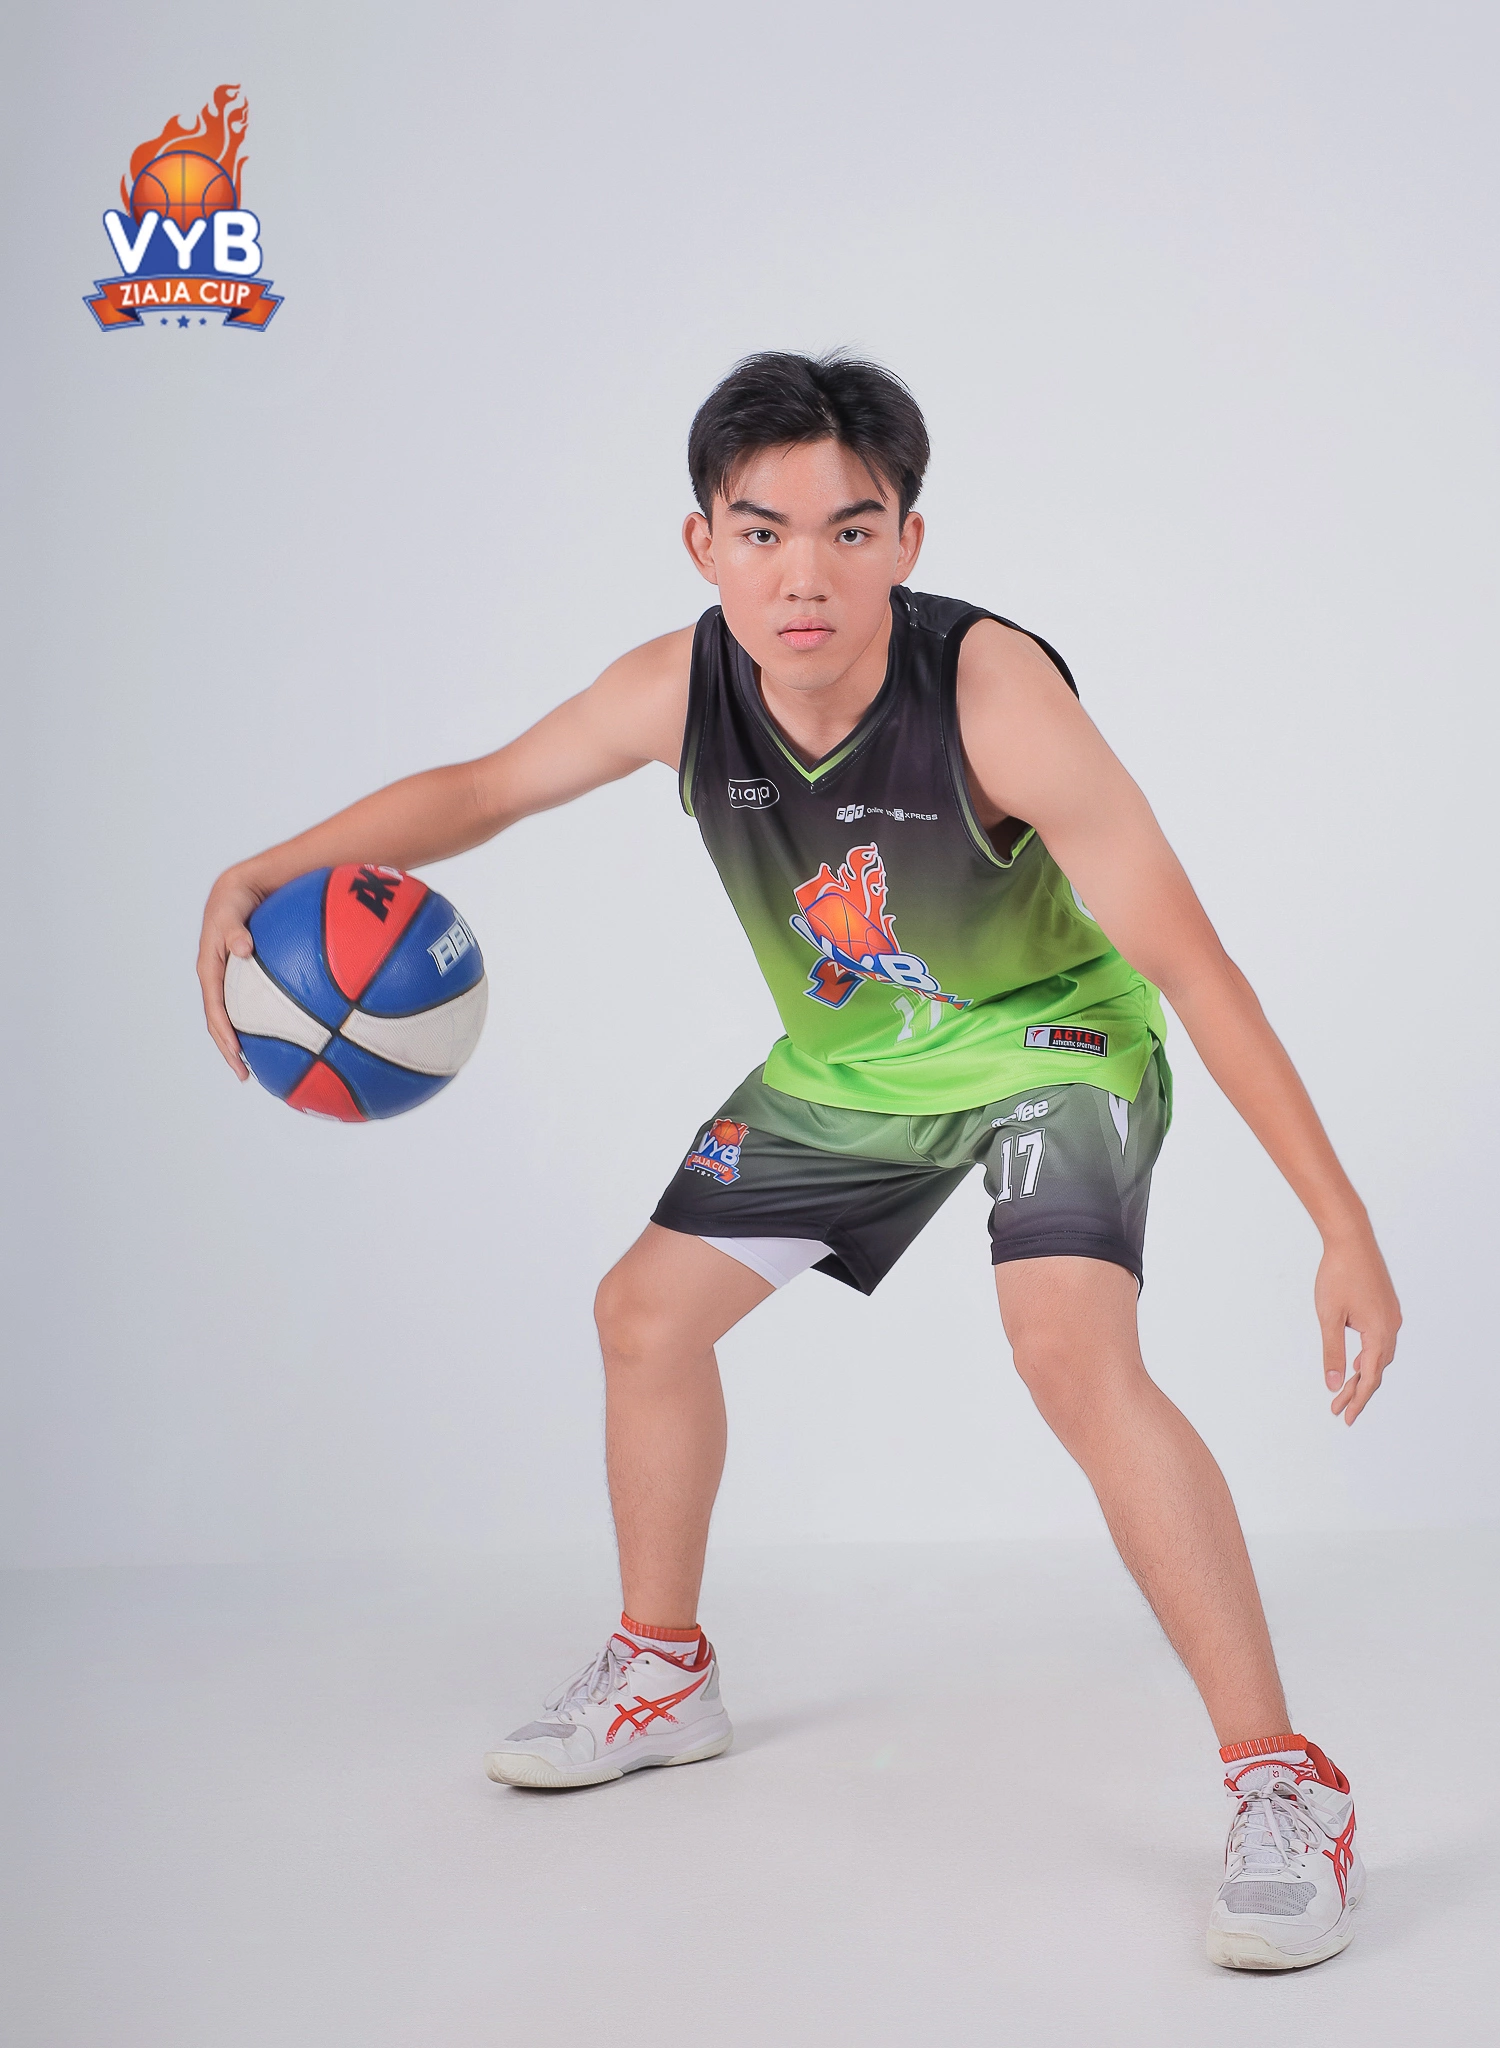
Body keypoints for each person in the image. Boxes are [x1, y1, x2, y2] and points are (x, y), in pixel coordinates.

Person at [198, 352, 1401, 1971]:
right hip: (854, 1066)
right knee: (643, 1317)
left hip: (1052, 1041)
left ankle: (1284, 1784)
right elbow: (484, 791)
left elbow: (1193, 967)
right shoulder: (676, 688)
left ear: (908, 539)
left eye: (849, 529)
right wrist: (268, 867)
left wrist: (1341, 1222)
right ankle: (662, 1671)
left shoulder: (996, 701)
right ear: (704, 543)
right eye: (761, 532)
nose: (804, 575)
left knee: (1067, 1351)